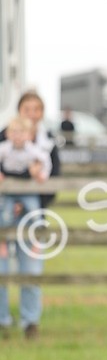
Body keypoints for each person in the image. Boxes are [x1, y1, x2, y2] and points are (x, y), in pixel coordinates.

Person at [0, 116, 52, 338]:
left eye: (23, 132)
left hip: (28, 194)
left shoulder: (33, 150)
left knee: (33, 211)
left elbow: (46, 162)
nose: (18, 136)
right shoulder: (4, 149)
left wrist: (40, 173)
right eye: (14, 132)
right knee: (4, 212)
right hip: (8, 196)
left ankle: (30, 322)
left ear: (29, 135)